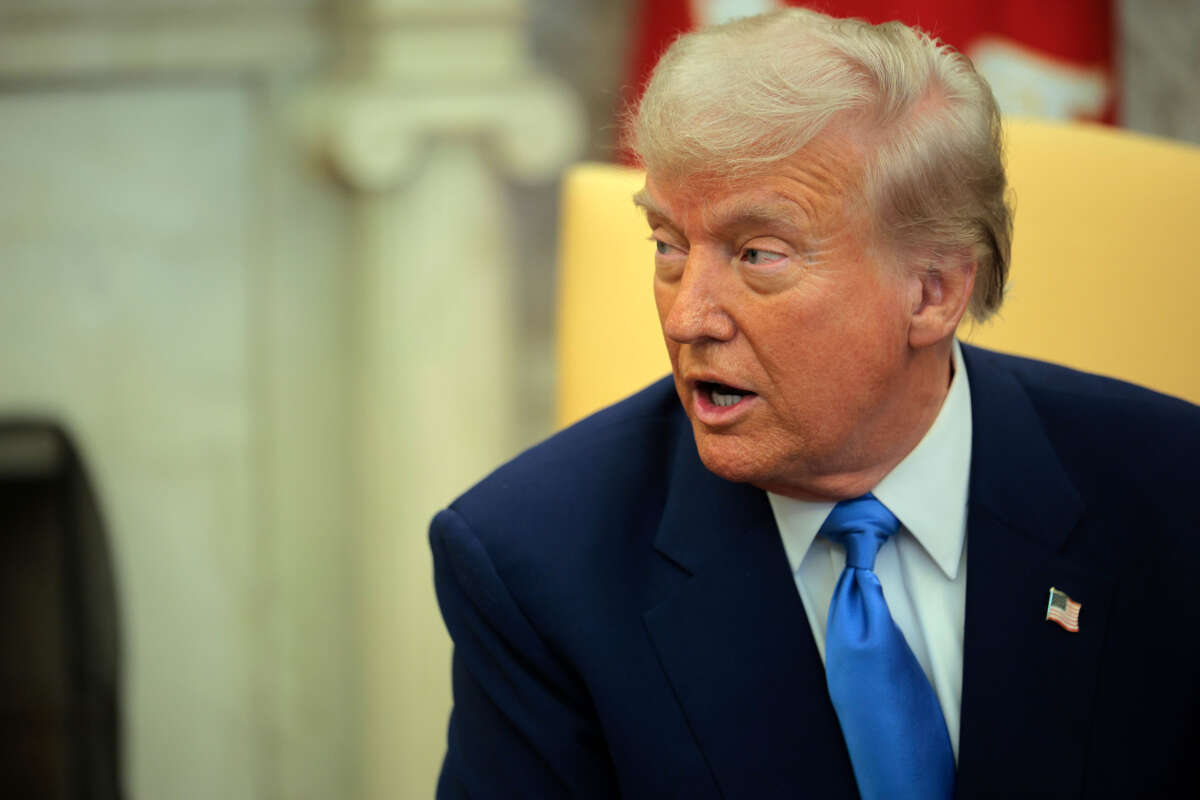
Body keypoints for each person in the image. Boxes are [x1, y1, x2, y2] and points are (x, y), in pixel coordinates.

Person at [430, 8, 1200, 799]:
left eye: (758, 254)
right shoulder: (533, 564)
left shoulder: (1175, 492)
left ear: (932, 292)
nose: (687, 316)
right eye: (668, 246)